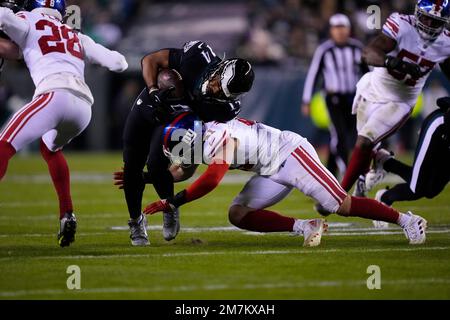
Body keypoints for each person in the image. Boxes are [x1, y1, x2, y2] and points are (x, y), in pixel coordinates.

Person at [138, 113, 428, 245]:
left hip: (291, 154)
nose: (178, 156)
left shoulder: (219, 136)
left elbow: (211, 180)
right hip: (270, 169)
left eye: (177, 149)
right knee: (238, 214)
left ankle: (407, 220)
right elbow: (183, 170)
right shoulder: (201, 136)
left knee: (339, 204)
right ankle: (305, 226)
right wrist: (146, 179)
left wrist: (173, 202)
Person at [0, 0, 128, 247]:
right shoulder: (74, 34)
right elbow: (119, 63)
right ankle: (67, 213)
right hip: (83, 109)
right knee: (50, 148)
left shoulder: (28, 20)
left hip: (53, 96)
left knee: (4, 145)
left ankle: (67, 213)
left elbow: (6, 20)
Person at [123, 41, 254, 246]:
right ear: (220, 70)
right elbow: (150, 60)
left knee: (157, 165)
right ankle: (136, 222)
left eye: (222, 92)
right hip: (152, 101)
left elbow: (199, 139)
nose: (215, 90)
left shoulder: (225, 109)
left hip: (177, 120)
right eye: (219, 83)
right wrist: (153, 90)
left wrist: (186, 165)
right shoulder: (198, 57)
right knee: (131, 166)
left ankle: (169, 207)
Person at [339, 0, 450, 198]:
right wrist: (394, 62)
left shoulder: (446, 43)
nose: (430, 25)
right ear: (417, 14)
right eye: (426, 18)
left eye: (436, 21)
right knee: (365, 145)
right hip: (373, 89)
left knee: (365, 141)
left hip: (400, 101)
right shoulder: (401, 24)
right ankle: (378, 165)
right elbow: (369, 53)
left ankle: (337, 195)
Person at [302, 14, 368, 177]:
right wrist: (306, 100)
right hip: (333, 99)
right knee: (339, 136)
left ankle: (330, 171)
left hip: (353, 98)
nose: (340, 31)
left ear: (348, 29)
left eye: (342, 27)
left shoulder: (357, 48)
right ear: (331, 30)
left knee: (346, 136)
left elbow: (368, 74)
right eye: (336, 28)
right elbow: (313, 75)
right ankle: (346, 172)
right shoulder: (324, 50)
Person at [366, 97, 450, 208]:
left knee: (431, 190)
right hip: (438, 128)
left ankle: (386, 162)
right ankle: (384, 198)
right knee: (417, 188)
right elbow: (441, 102)